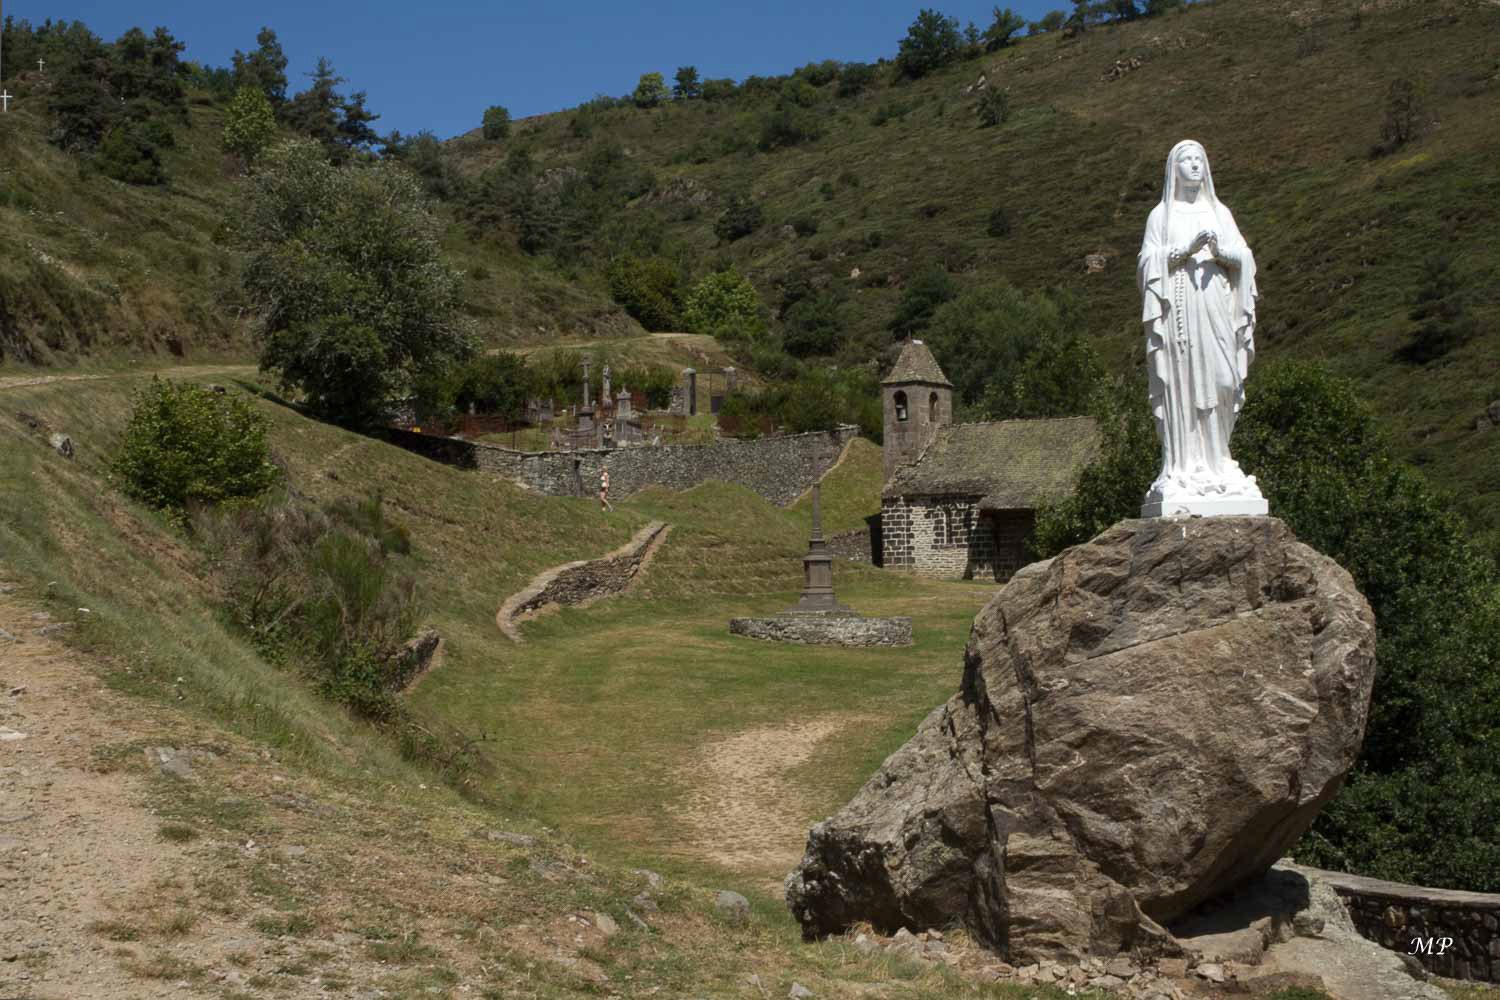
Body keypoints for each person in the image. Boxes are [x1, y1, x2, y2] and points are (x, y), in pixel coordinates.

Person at [1137, 139, 1264, 511]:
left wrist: (1223, 253)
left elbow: (1244, 256)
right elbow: (1147, 263)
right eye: (1186, 159)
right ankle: (1184, 464)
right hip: (1179, 305)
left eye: (1199, 159)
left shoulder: (1219, 212)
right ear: (1173, 169)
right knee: (1186, 383)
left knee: (1224, 380)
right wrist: (1185, 250)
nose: (1194, 165)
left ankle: (1220, 460)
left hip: (1216, 303)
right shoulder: (1161, 216)